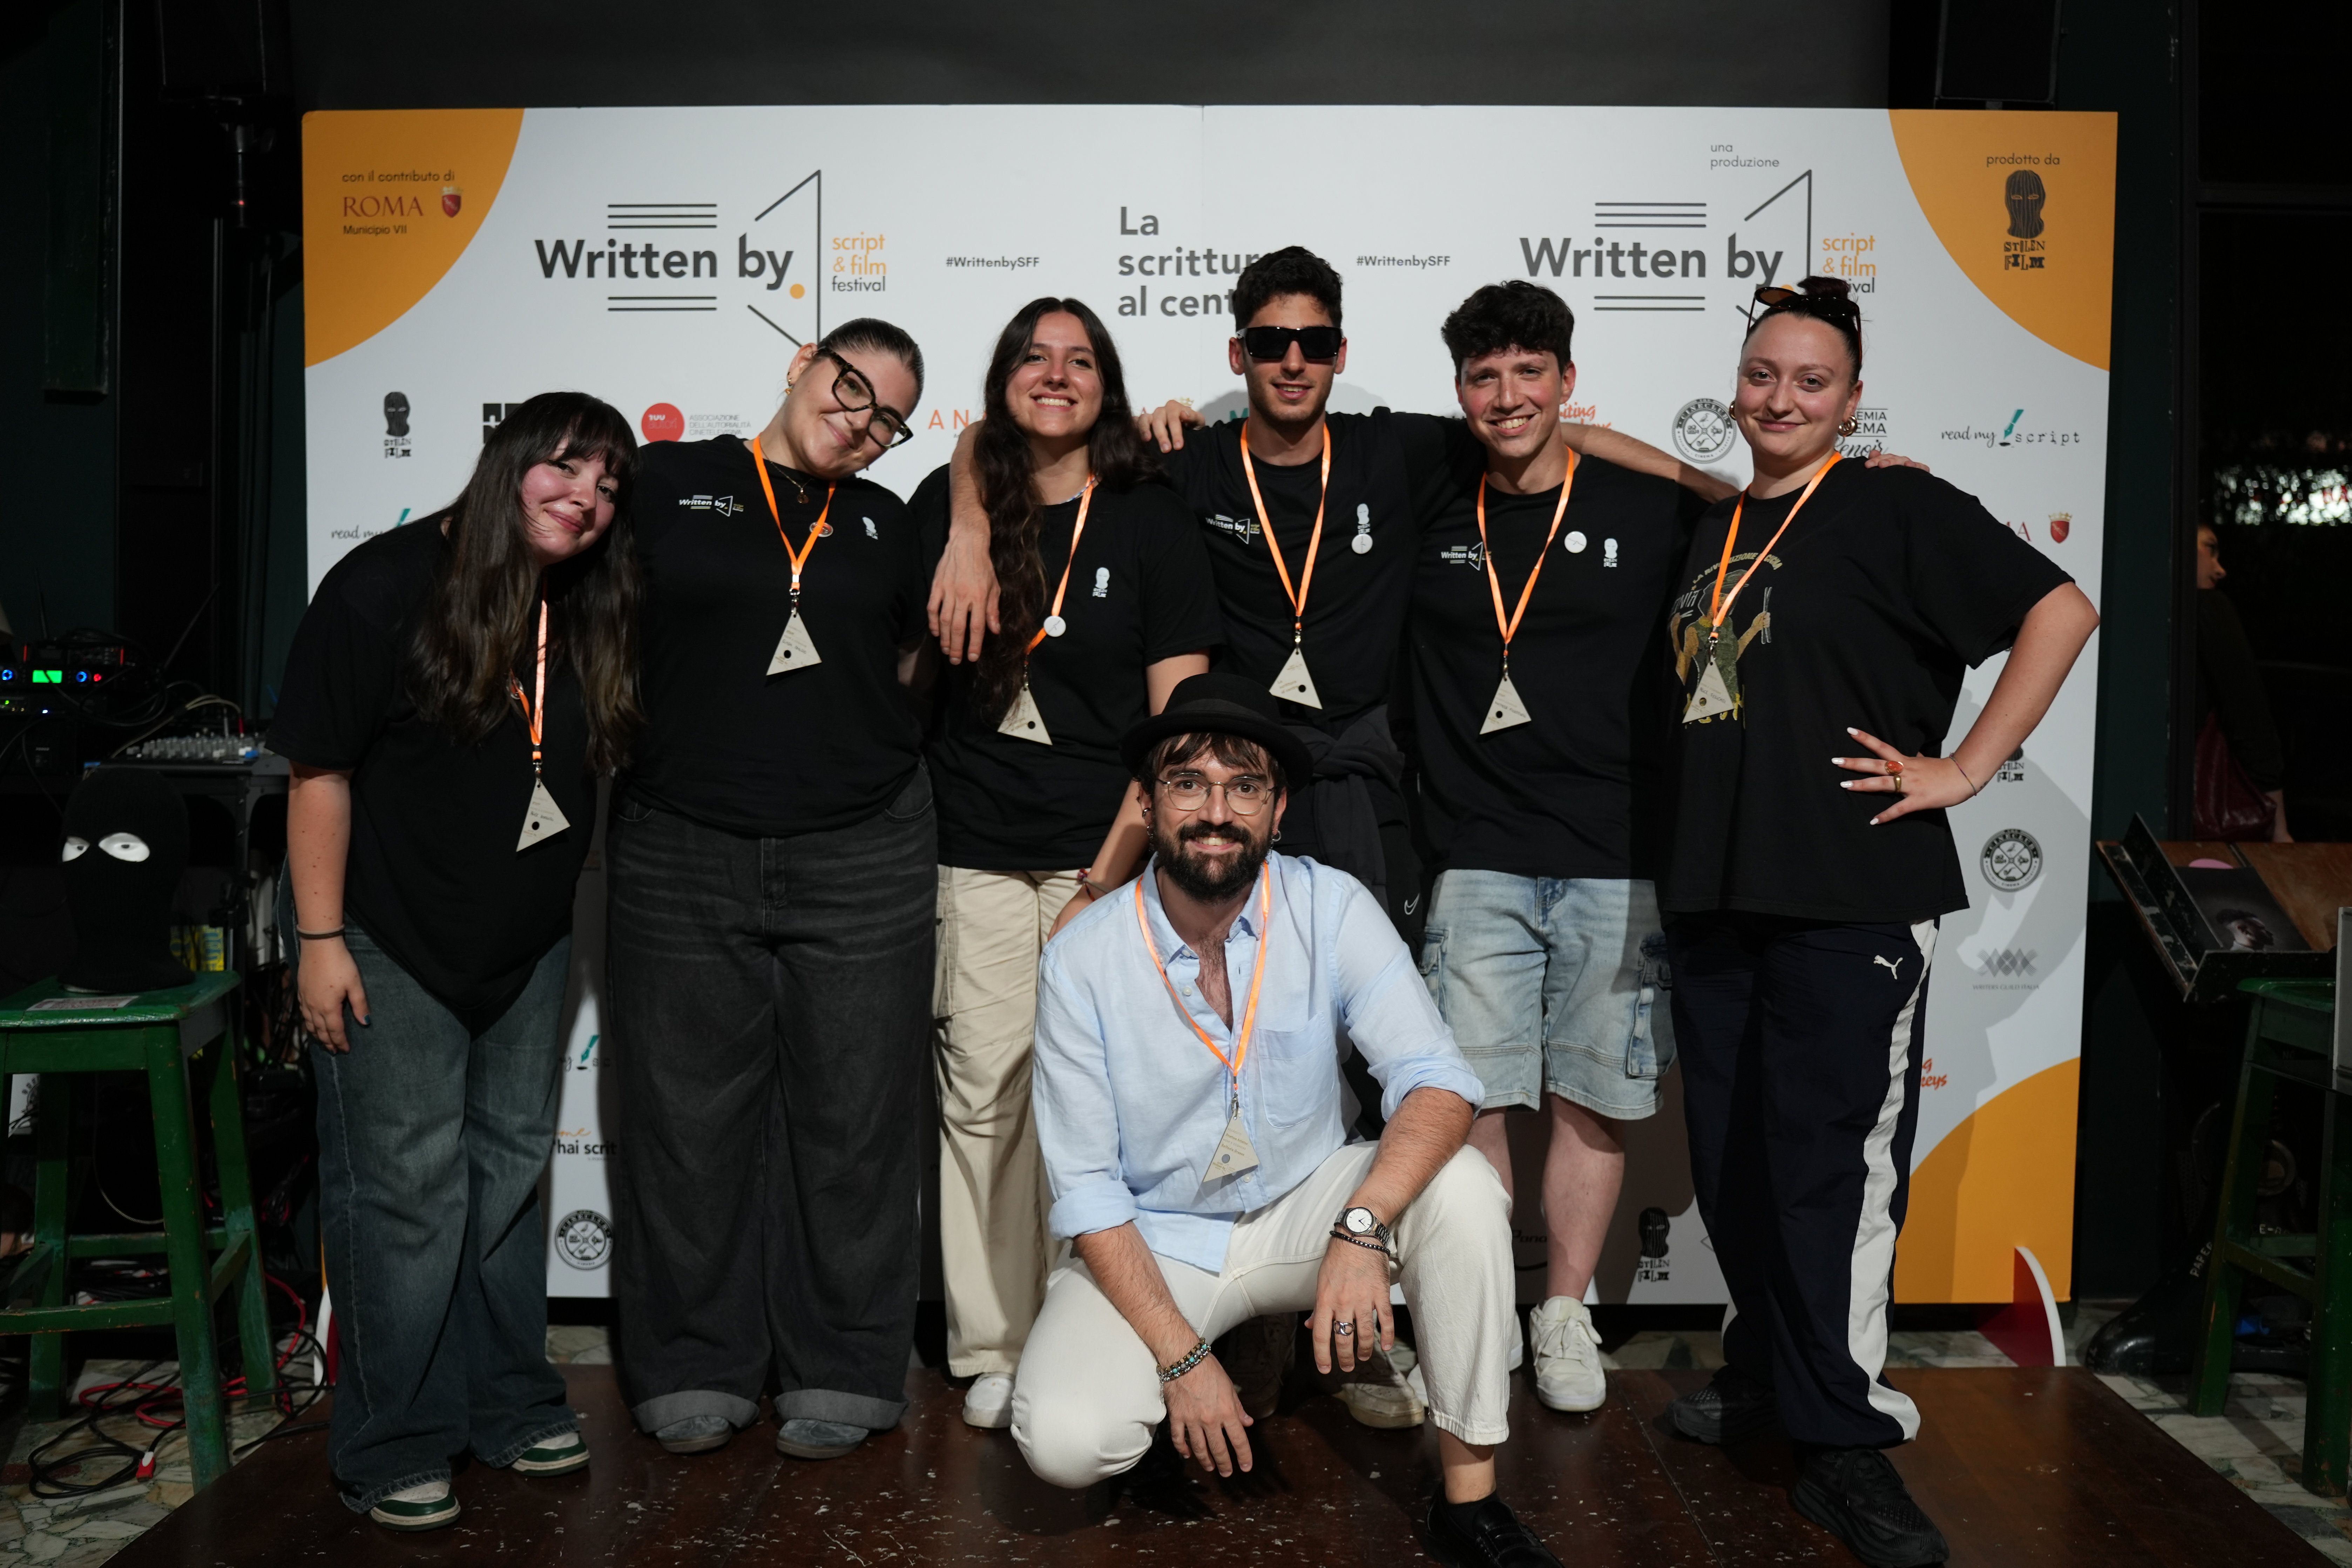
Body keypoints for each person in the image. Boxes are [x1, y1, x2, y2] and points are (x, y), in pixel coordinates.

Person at [1660, 277, 2098, 1567]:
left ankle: (1842, 1438)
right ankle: (1767, 1371)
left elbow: (2059, 609)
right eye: (1761, 374)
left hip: (1848, 896)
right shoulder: (1717, 525)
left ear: (1851, 402)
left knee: (1825, 1174)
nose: (1780, 398)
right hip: (1715, 894)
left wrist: (1963, 767)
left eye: (1811, 381)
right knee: (1735, 1164)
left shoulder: (1895, 504)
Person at [1014, 673, 1564, 1568]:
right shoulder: (1081, 957)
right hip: (1161, 1234)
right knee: (1067, 1440)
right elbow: (1086, 1191)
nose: (1216, 812)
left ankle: (1470, 1501)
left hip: (1308, 1204)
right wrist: (1183, 1363)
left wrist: (1361, 1224)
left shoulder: (1329, 903)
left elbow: (1438, 1081)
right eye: (1188, 783)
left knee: (1464, 1187)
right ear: (1147, 804)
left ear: (1278, 812)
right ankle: (1177, 1389)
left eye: (1246, 787)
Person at [275, 392, 641, 1531]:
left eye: (607, 484)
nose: (584, 498)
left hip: (526, 949)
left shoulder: (585, 601)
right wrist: (320, 942)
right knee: (405, 1200)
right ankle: (393, 1440)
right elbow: (319, 772)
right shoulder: (380, 586)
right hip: (388, 943)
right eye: (564, 468)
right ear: (506, 463)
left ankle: (505, 1400)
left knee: (507, 1186)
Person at [604, 319, 935, 1464]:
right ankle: (694, 1359)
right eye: (850, 387)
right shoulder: (667, 481)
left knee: (855, 1119)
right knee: (683, 1119)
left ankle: (842, 1364)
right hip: (679, 840)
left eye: (888, 419)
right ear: (802, 364)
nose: (861, 421)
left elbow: (914, 662)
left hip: (862, 846)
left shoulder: (887, 520)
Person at [910, 297, 1222, 1430]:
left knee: (1094, 1109)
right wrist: (963, 521)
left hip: (1107, 857)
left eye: (1079, 359)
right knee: (984, 1095)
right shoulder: (954, 504)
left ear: (1108, 385)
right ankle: (992, 1344)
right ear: (1001, 379)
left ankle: (1076, 1333)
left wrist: (1102, 878)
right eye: (1033, 358)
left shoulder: (1150, 520)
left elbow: (1176, 729)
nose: (1055, 375)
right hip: (974, 850)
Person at [1405, 282, 1709, 1417]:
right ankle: (1480, 1310)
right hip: (1474, 850)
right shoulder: (1431, 493)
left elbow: (1754, 520)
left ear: (1567, 382)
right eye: (1483, 376)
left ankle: (1565, 1314)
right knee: (1470, 1103)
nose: (1506, 396)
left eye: (1529, 372)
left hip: (1616, 856)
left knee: (1592, 1101)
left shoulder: (1647, 507)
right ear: (1459, 390)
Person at [2193, 523, 2291, 841]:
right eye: (2210, 548)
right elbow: (2249, 716)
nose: (2220, 570)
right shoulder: (2210, 608)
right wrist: (2280, 829)